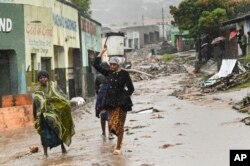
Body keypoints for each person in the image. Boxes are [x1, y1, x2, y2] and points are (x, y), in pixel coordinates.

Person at [93, 48, 134, 155]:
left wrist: (125, 96)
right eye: (111, 64)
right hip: (110, 102)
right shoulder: (108, 73)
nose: (112, 66)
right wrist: (101, 53)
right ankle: (116, 138)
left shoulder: (124, 74)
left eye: (114, 65)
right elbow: (96, 65)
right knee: (111, 125)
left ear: (118, 65)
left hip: (122, 104)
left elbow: (131, 88)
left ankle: (118, 147)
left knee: (120, 125)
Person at [33, 70, 75, 157]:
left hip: (55, 113)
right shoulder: (37, 91)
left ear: (47, 78)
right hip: (43, 116)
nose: (43, 79)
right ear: (38, 80)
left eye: (44, 77)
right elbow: (36, 103)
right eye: (40, 78)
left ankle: (63, 148)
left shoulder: (53, 86)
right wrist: (42, 108)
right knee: (44, 135)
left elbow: (61, 96)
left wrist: (66, 103)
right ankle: (45, 153)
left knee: (58, 130)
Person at [95, 72, 114, 140]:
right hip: (109, 99)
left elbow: (96, 90)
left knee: (103, 116)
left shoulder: (99, 77)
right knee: (109, 117)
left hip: (101, 100)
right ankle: (110, 133)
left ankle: (104, 133)